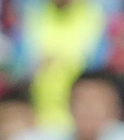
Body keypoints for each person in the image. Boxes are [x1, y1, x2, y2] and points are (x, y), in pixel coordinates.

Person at [14, 0, 110, 129]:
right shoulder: (33, 12)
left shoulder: (96, 14)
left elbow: (98, 69)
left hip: (80, 119)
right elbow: (18, 66)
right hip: (38, 114)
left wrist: (61, 62)